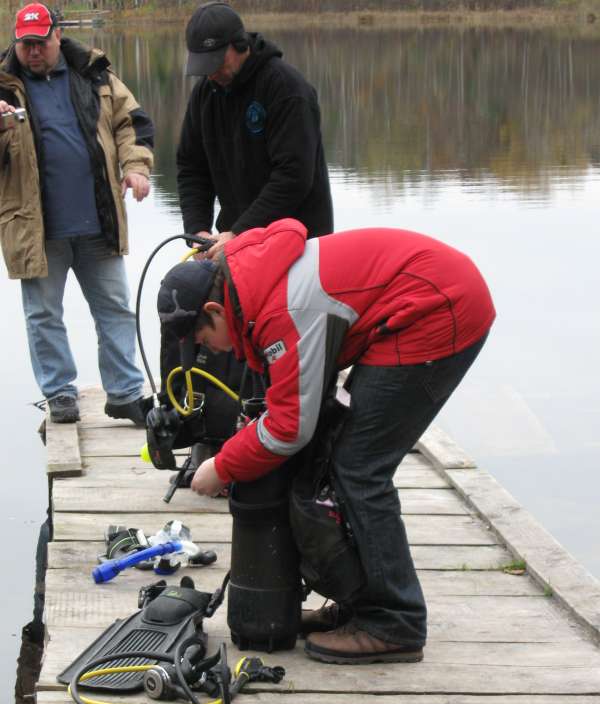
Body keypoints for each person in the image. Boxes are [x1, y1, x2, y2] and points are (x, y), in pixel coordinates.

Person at [156, 218, 496, 665]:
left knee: (359, 467)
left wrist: (222, 465)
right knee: (337, 457)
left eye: (203, 337)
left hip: (439, 307)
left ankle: (396, 621)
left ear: (216, 312)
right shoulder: (246, 279)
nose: (212, 350)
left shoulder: (282, 312)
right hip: (411, 304)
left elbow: (289, 427)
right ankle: (362, 604)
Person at [0, 3, 153, 424]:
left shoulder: (93, 71)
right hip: (36, 229)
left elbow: (131, 122)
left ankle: (124, 392)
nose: (33, 52)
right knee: (43, 315)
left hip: (98, 220)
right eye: (25, 44)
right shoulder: (3, 86)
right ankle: (60, 393)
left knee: (117, 309)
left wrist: (136, 167)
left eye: (40, 43)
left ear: (57, 36)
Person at [176, 1, 333, 262]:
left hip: (300, 247)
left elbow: (293, 176)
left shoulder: (287, 89)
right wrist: (198, 232)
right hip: (236, 244)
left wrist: (240, 232)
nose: (211, 72)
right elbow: (192, 167)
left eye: (216, 61)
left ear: (240, 45)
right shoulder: (205, 94)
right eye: (204, 64)